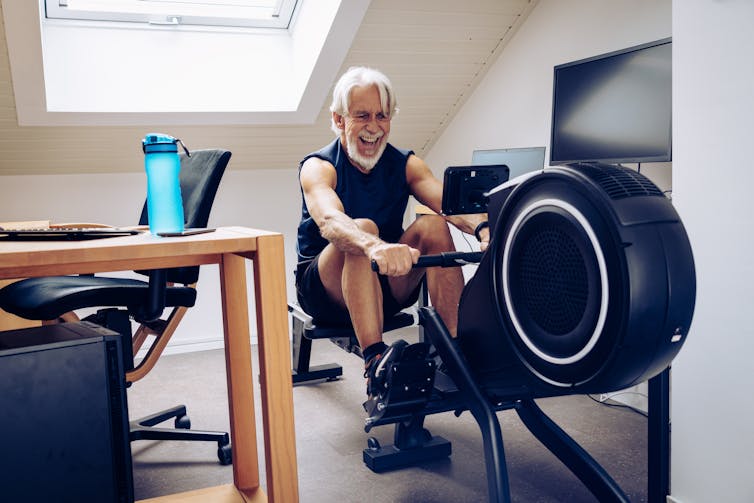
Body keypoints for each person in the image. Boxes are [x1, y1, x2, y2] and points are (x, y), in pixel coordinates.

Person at [295, 66, 489, 398]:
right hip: (326, 291)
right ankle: (375, 363)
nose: (374, 128)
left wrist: (486, 231)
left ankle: (454, 353)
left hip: (385, 282)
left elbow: (452, 206)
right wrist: (372, 245)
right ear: (340, 119)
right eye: (362, 116)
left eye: (382, 116)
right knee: (362, 228)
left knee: (432, 223)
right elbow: (329, 219)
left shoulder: (406, 163)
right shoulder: (320, 166)